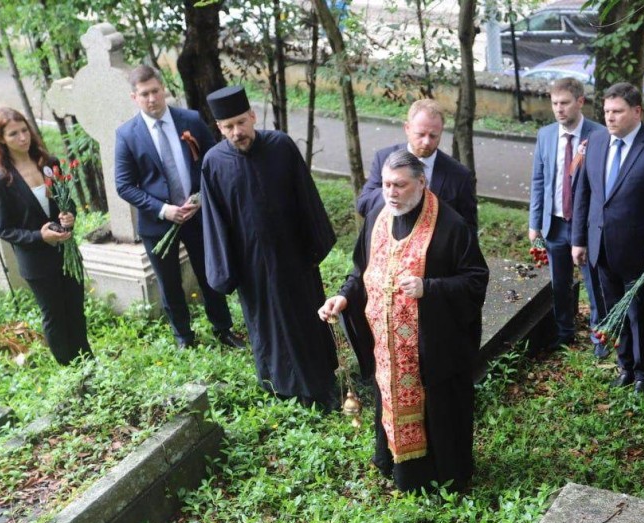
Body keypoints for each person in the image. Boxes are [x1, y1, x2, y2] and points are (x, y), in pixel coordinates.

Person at [319, 151, 489, 492]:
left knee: (439, 412)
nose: (391, 192)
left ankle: (444, 478)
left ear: (421, 183)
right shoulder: (378, 217)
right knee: (390, 399)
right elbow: (361, 270)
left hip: (433, 350)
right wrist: (344, 296)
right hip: (389, 349)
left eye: (400, 185)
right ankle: (398, 469)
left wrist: (430, 288)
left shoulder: (450, 224)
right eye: (386, 184)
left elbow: (475, 279)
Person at [200, 85, 339, 410]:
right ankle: (283, 388)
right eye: (228, 127)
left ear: (252, 116)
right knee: (268, 327)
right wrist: (227, 269)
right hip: (253, 268)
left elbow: (305, 195)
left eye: (240, 123)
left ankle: (321, 383)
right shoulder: (214, 163)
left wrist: (314, 244)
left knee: (307, 319)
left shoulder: (281, 146)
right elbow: (215, 222)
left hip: (295, 257)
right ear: (219, 128)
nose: (237, 132)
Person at [114, 65, 245, 350]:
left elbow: (213, 160)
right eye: (144, 94)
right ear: (134, 97)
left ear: (163, 90)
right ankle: (184, 337)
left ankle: (223, 328)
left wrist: (200, 198)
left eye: (155, 91)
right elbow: (124, 185)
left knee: (209, 273)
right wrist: (164, 209)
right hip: (158, 223)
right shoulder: (127, 135)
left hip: (197, 215)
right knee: (169, 282)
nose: (152, 99)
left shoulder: (190, 120)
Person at [571, 82, 644, 392]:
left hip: (640, 255)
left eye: (617, 111)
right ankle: (624, 367)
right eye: (607, 111)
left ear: (637, 112)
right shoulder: (594, 142)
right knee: (615, 315)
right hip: (601, 249)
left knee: (640, 317)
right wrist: (578, 239)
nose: (610, 118)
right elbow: (584, 193)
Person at [0, 108, 92, 365]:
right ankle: (71, 370)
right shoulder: (0, 181)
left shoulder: (49, 163)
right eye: (14, 134)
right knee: (55, 316)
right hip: (37, 262)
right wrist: (38, 236)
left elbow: (67, 203)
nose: (23, 137)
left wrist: (69, 217)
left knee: (76, 311)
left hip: (66, 253)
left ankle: (89, 364)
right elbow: (1, 227)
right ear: (1, 140)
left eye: (24, 130)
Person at [528, 77, 607, 355]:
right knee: (559, 284)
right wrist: (534, 223)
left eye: (565, 103)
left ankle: (601, 339)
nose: (559, 109)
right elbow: (539, 180)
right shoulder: (546, 135)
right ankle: (564, 332)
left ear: (580, 102)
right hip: (555, 224)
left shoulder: (599, 135)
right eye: (555, 104)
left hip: (585, 226)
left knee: (594, 284)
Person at [356, 99, 478, 231]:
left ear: (441, 132)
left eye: (433, 136)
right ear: (407, 128)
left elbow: (469, 228)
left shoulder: (459, 175)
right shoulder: (384, 158)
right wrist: (394, 195)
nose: (426, 142)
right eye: (421, 134)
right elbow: (363, 204)